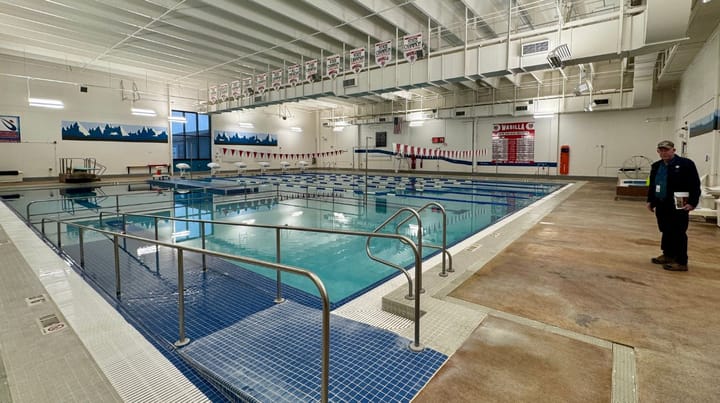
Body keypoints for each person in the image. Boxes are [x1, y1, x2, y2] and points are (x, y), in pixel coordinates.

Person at [646, 140, 701, 271]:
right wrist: (650, 201)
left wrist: (693, 202)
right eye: (661, 150)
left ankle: (682, 261)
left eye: (667, 150)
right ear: (658, 151)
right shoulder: (656, 166)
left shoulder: (686, 164)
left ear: (673, 150)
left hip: (679, 201)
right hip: (661, 202)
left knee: (679, 231)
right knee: (665, 229)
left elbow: (695, 184)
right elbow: (653, 185)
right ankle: (668, 255)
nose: (664, 152)